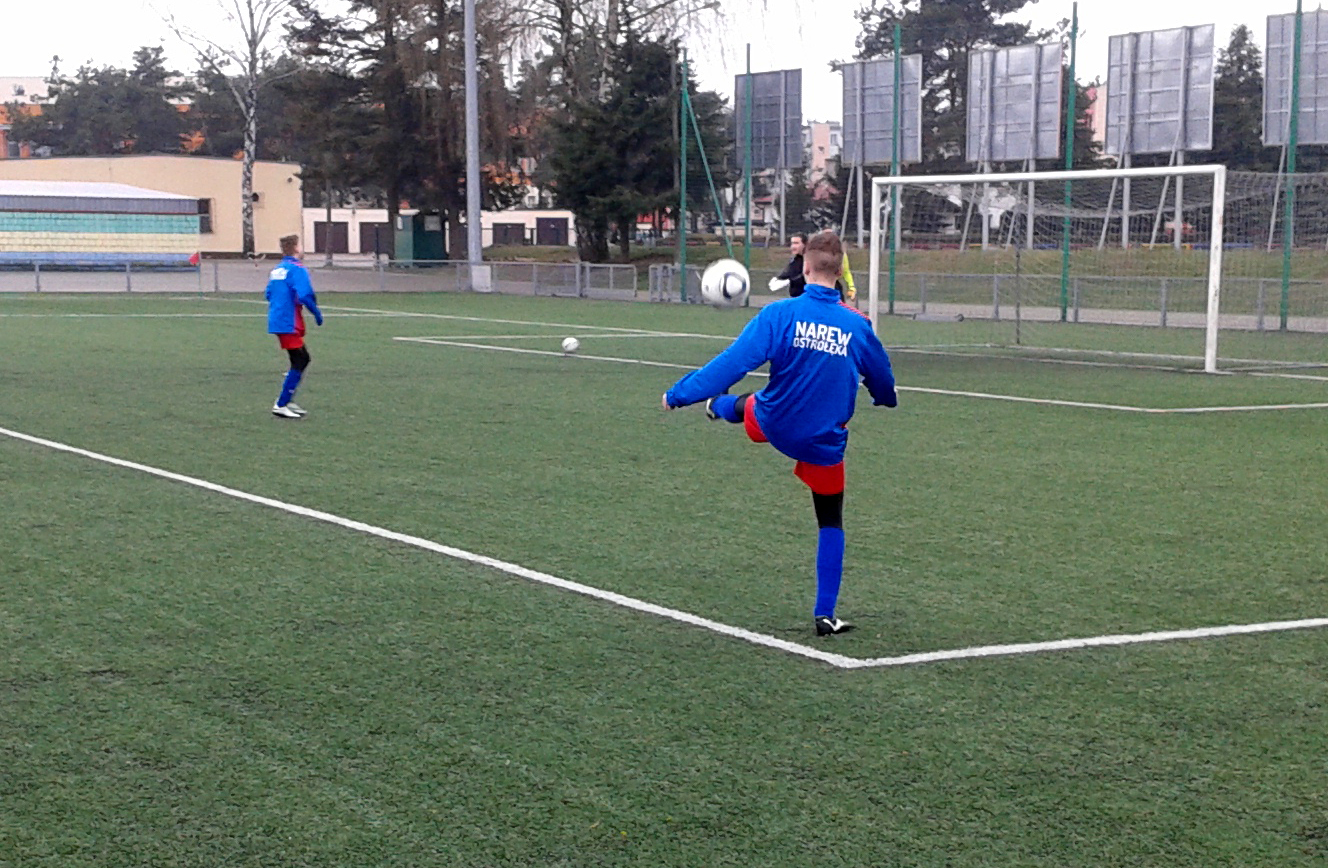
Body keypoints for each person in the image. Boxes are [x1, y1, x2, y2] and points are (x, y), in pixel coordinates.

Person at [662, 230, 897, 636]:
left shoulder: (778, 315)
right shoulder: (858, 326)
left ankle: (716, 407)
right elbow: (884, 383)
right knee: (830, 520)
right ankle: (825, 615)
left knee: (753, 405)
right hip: (822, 441)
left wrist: (677, 395)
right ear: (840, 271)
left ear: (804, 268)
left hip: (776, 421)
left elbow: (730, 365)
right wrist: (883, 398)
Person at [265, 234, 323, 418]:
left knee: (300, 359)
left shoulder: (278, 269)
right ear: (296, 248)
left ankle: (287, 400)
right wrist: (316, 312)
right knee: (301, 359)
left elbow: (268, 293)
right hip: (288, 321)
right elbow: (305, 294)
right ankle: (281, 404)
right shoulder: (297, 269)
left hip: (278, 318)